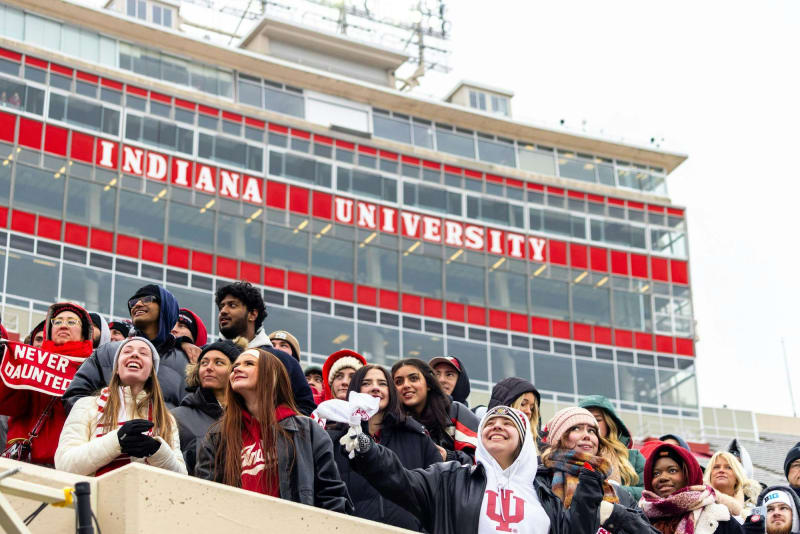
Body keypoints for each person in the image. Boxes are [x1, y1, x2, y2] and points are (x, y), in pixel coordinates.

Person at [343, 404, 617, 534]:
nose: (497, 425)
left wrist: (590, 487)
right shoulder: (449, 479)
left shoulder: (546, 498)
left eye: (507, 423)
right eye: (490, 422)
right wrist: (367, 448)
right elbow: (399, 480)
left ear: (523, 441)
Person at [195, 347, 352, 513]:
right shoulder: (217, 436)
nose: (237, 369)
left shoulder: (307, 430)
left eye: (248, 363)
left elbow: (331, 495)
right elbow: (204, 496)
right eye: (235, 366)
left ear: (272, 375)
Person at [327, 364, 441, 531]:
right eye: (366, 383)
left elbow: (437, 492)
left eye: (382, 383)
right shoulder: (334, 440)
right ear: (354, 391)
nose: (375, 388)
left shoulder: (417, 437)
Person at [55, 337, 186, 476]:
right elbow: (65, 465)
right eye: (127, 351)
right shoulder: (86, 405)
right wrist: (117, 440)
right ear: (117, 368)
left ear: (151, 372)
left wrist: (157, 450)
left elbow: (182, 478)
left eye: (143, 353)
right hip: (95, 496)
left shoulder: (165, 418)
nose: (134, 354)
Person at [63, 284, 189, 411]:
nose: (137, 304)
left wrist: (163, 427)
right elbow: (74, 397)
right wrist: (111, 419)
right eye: (133, 302)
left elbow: (193, 413)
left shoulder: (186, 361)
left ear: (166, 308)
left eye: (147, 299)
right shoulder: (106, 353)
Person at [0, 303, 95, 467]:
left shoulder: (94, 369)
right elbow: (8, 405)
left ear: (84, 331)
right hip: (21, 461)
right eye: (57, 322)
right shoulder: (30, 362)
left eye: (71, 322)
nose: (63, 325)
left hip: (67, 466)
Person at [540, 407, 658, 533]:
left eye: (591, 431)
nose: (586, 435)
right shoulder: (541, 484)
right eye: (576, 428)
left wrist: (614, 514)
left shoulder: (620, 494)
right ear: (558, 438)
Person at [214, 282, 315, 415]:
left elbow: (306, 408)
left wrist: (272, 426)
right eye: (221, 306)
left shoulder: (282, 360)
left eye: (232, 305)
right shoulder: (206, 356)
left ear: (252, 314)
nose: (223, 311)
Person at [639, 442, 743, 534]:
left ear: (689, 475)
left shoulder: (718, 517)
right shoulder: (639, 517)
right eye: (656, 473)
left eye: (672, 470)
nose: (662, 478)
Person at [171, 340, 241, 476]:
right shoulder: (176, 418)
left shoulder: (249, 417)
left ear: (235, 371)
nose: (209, 367)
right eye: (204, 362)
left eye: (219, 362)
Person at [391, 358, 479, 464]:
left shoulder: (456, 412)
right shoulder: (390, 423)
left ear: (428, 384)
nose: (406, 385)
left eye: (413, 378)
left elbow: (482, 459)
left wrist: (448, 456)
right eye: (398, 382)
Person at [579, 395, 645, 500]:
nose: (591, 424)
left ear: (609, 424)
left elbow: (648, 493)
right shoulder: (569, 458)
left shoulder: (634, 458)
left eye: (597, 419)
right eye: (584, 420)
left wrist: (615, 490)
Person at [704, 451, 760, 522]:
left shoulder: (756, 507)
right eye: (716, 467)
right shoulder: (698, 503)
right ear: (709, 475)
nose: (721, 470)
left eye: (728, 467)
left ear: (737, 476)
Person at [488, 377, 541, 449]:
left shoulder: (536, 451)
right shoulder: (482, 442)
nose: (528, 411)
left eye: (532, 408)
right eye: (522, 404)